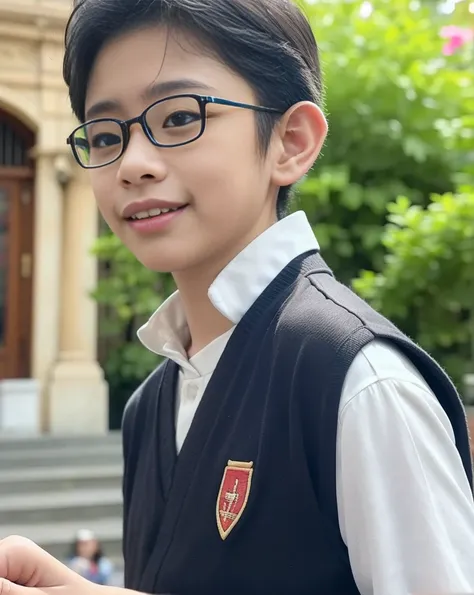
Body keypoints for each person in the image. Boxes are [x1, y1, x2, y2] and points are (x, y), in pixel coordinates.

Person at [0, 0, 473, 594]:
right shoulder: (150, 407)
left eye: (178, 119)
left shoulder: (356, 381)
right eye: (104, 134)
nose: (133, 164)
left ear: (290, 142)